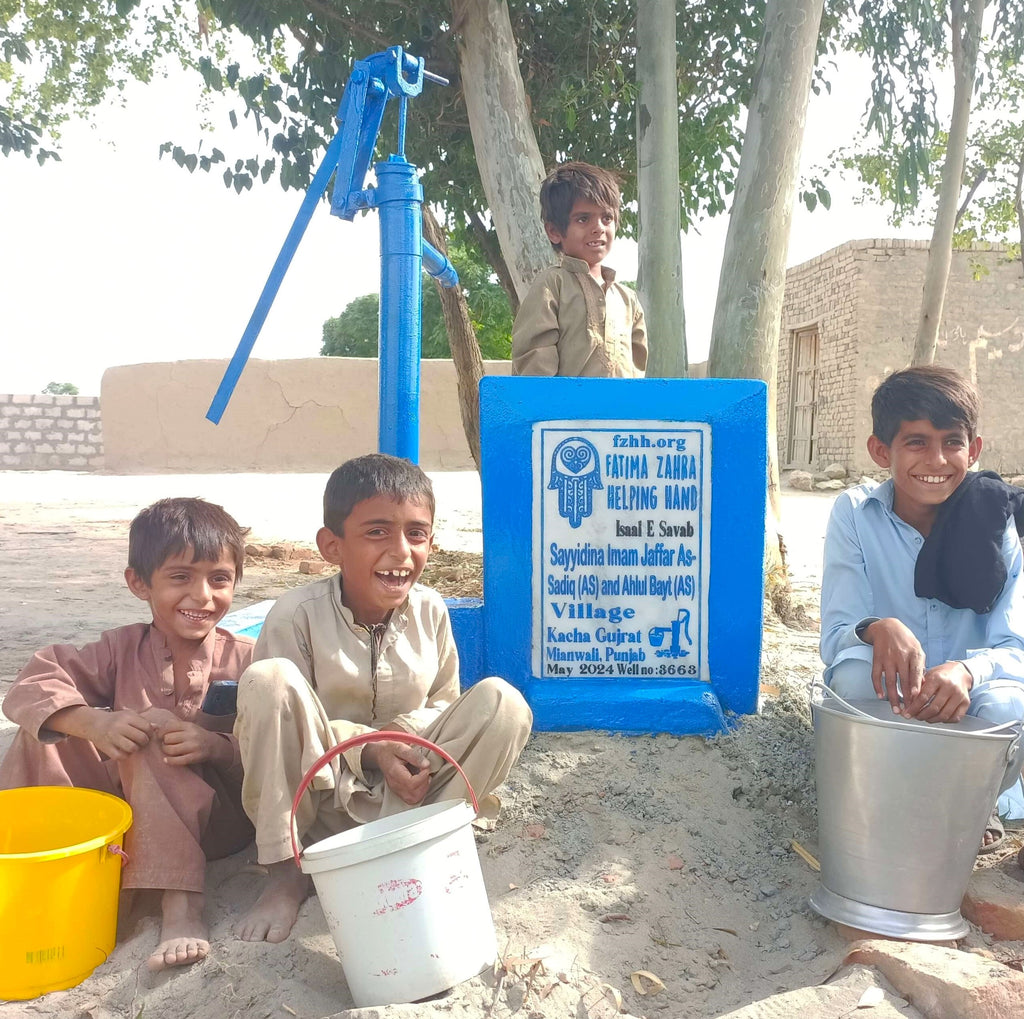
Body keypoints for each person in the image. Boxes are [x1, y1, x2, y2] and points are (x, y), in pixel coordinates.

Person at [234, 454, 533, 944]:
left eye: (416, 534)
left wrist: (404, 747)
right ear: (332, 546)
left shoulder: (431, 609)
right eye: (377, 532)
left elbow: (444, 704)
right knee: (269, 680)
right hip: (318, 801)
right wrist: (372, 747)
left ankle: (416, 844)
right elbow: (289, 721)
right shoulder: (296, 616)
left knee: (503, 703)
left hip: (408, 798)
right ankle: (287, 874)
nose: (400, 552)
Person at [0, 497, 255, 971]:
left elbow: (275, 747)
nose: (202, 595)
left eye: (219, 578)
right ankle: (39, 862)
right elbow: (32, 684)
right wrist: (92, 723)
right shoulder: (120, 648)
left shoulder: (249, 658)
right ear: (139, 583)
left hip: (216, 824)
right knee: (44, 729)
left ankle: (180, 904)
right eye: (180, 577)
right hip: (131, 818)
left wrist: (214, 746)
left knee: (154, 726)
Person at [820, 365, 1024, 849]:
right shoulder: (855, 513)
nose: (936, 459)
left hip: (967, 704)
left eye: (952, 442)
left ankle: (974, 804)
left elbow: (1016, 646)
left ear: (973, 450)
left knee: (1008, 704)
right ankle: (894, 802)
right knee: (848, 679)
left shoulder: (1001, 521)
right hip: (894, 699)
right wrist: (875, 627)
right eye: (915, 442)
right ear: (880, 450)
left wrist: (967, 673)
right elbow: (835, 637)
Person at [512, 161, 647, 378]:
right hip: (564, 411)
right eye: (583, 219)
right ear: (555, 231)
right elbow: (534, 361)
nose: (599, 228)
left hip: (620, 411)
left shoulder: (628, 300)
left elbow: (637, 369)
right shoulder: (552, 285)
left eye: (607, 218)